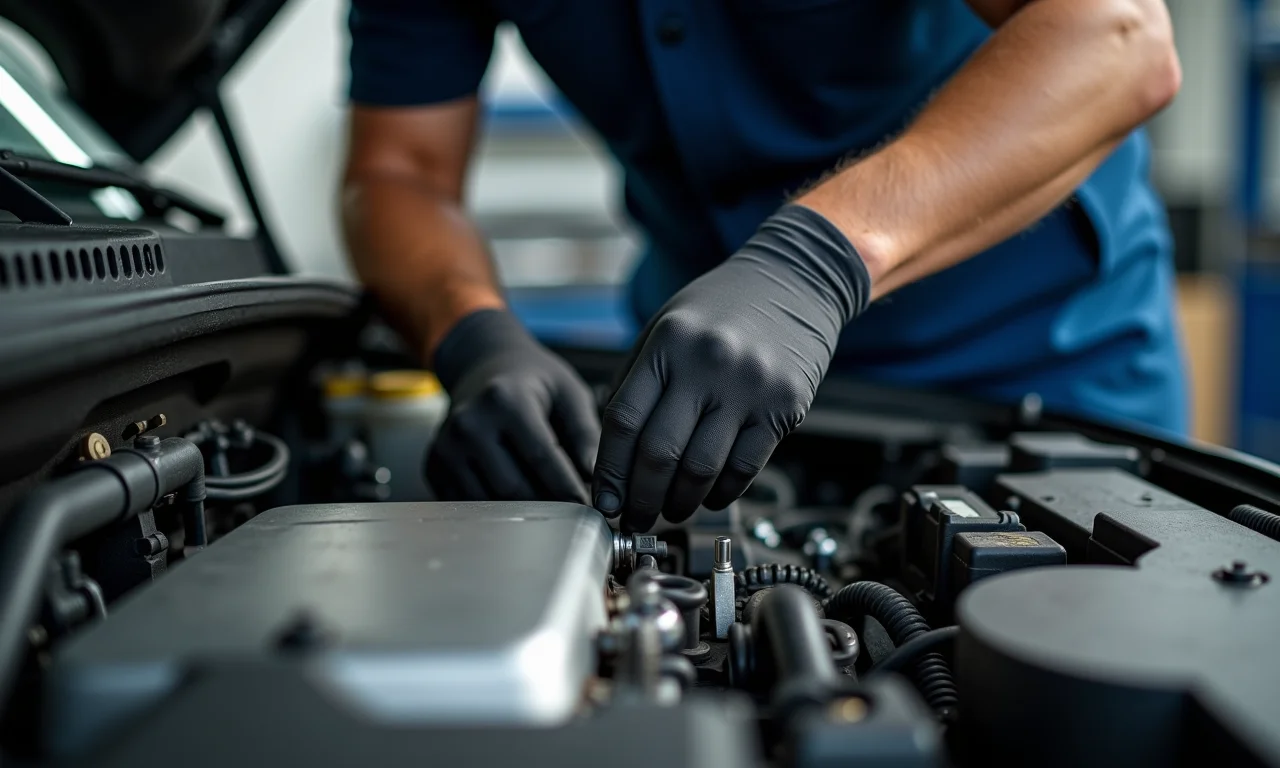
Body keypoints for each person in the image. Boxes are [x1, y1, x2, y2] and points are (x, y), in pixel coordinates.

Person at [341, 0, 1184, 533]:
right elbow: (396, 171)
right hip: (701, 397)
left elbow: (1113, 36)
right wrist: (474, 335)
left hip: (1034, 374)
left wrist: (811, 263)